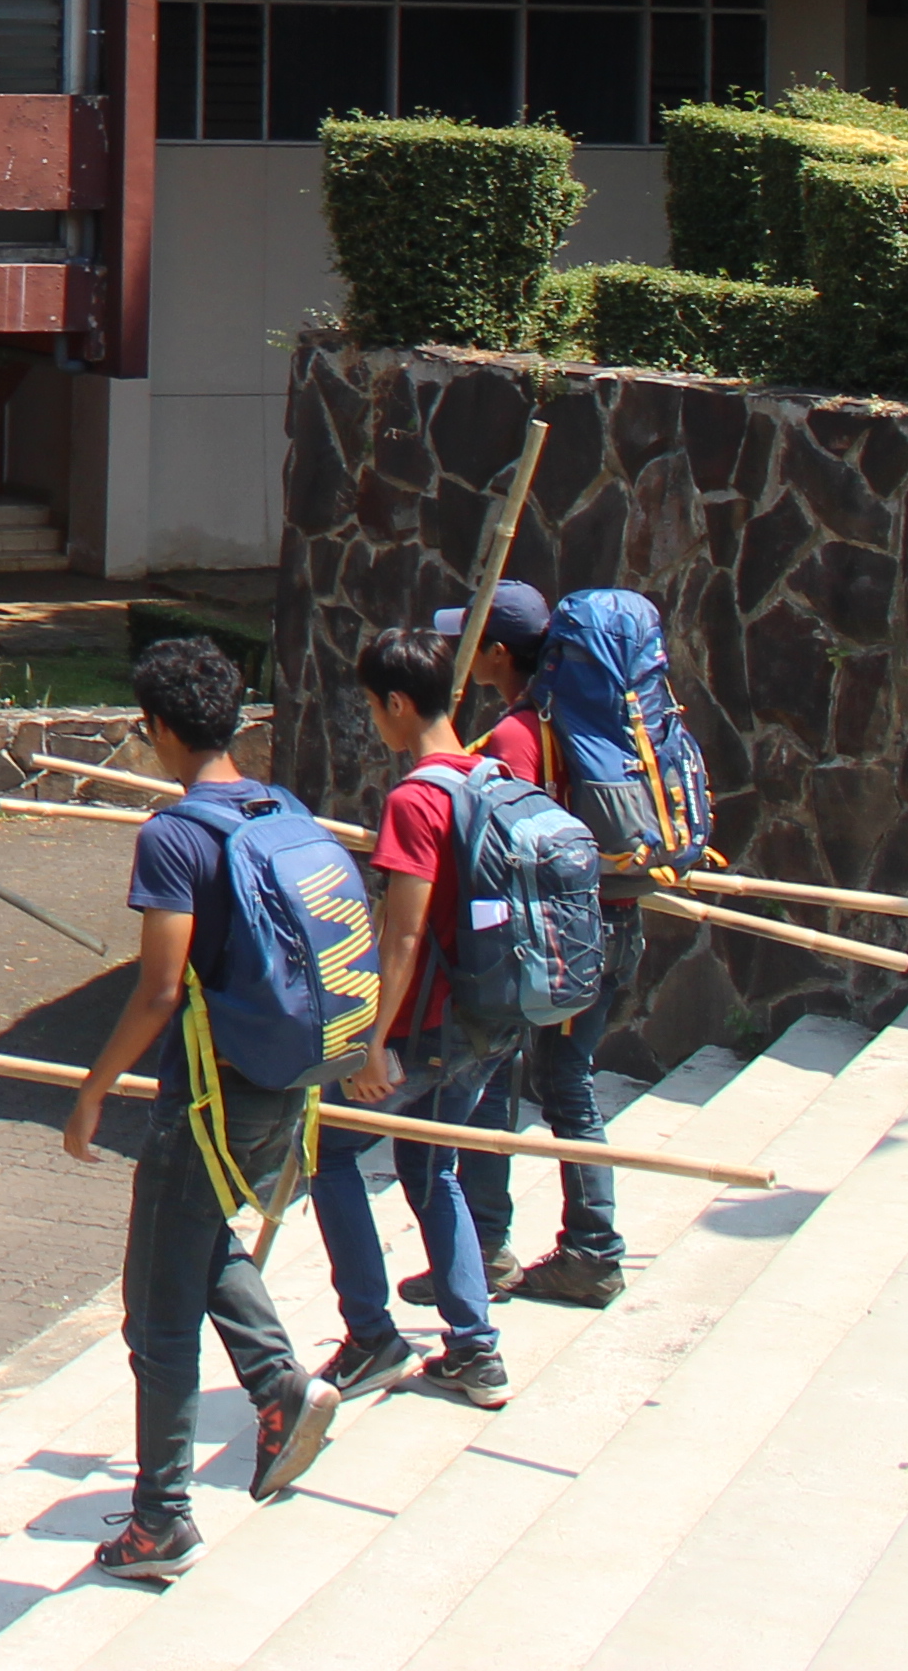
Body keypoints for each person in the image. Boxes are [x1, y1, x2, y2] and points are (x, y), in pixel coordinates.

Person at [59, 635, 341, 1588]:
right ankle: (277, 1389)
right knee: (198, 1242)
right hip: (286, 1087)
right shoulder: (280, 808)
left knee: (157, 1309)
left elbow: (159, 990)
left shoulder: (177, 836)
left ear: (163, 729)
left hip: (205, 1102)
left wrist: (92, 1091)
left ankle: (160, 1519)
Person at [304, 627, 511, 1411]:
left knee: (326, 1148)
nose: (373, 721)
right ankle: (474, 1350)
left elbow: (404, 932)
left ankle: (372, 1335)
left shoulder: (417, 800)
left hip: (426, 1026)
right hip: (491, 1020)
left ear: (395, 704)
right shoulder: (492, 775)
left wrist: (372, 1043)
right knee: (434, 1168)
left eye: (372, 707)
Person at [446, 580, 628, 1309]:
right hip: (611, 928)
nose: (462, 649)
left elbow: (502, 841)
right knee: (561, 1080)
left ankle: (532, 1249)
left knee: (513, 1082)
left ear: (497, 652)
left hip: (550, 939)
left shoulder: (520, 736)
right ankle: (550, 1247)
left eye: (472, 638)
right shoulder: (588, 721)